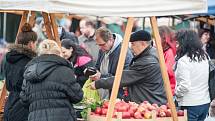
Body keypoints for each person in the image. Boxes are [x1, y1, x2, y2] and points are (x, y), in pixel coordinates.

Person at [89, 30, 167, 105]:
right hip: (150, 100)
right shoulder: (152, 53)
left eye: (133, 44)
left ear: (143, 44)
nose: (131, 47)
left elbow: (122, 79)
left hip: (149, 103)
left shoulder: (147, 61)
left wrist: (98, 83)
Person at [20, 39, 83, 121]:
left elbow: (24, 100)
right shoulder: (65, 71)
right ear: (58, 53)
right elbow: (77, 96)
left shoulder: (29, 71)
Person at [2, 23, 37, 121]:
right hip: (24, 106)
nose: (36, 45)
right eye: (35, 43)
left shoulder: (8, 58)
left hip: (10, 103)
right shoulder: (30, 61)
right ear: (31, 43)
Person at [175, 29, 210, 121]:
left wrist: (176, 94)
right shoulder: (205, 56)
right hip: (205, 102)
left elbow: (185, 86)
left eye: (178, 42)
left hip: (190, 104)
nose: (177, 45)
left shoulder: (184, 61)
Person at [90, 27, 133, 99]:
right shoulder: (103, 49)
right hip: (102, 94)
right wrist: (93, 72)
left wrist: (101, 77)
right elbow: (97, 66)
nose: (100, 48)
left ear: (110, 40)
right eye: (98, 45)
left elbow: (123, 79)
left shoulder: (124, 53)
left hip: (116, 97)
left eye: (102, 44)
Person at [158, 26, 176, 95]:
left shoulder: (169, 52)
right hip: (165, 90)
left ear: (164, 38)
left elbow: (168, 72)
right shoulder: (164, 51)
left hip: (169, 91)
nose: (154, 40)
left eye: (157, 37)